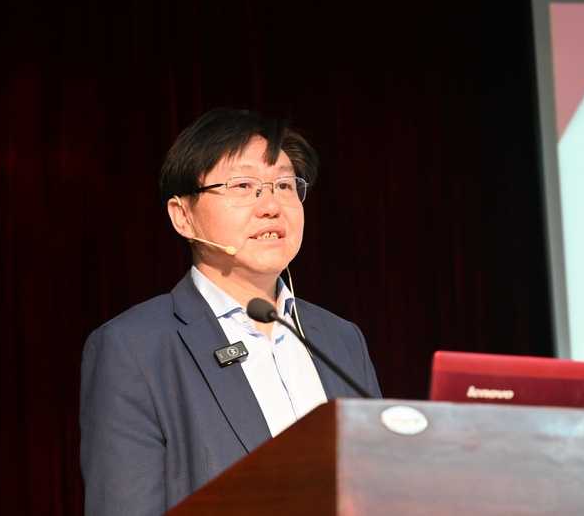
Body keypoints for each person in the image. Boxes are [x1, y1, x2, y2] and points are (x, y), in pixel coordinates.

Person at [79, 108, 381, 515]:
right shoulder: (134, 348)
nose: (271, 205)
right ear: (183, 216)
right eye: (243, 185)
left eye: (285, 185)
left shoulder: (341, 339)